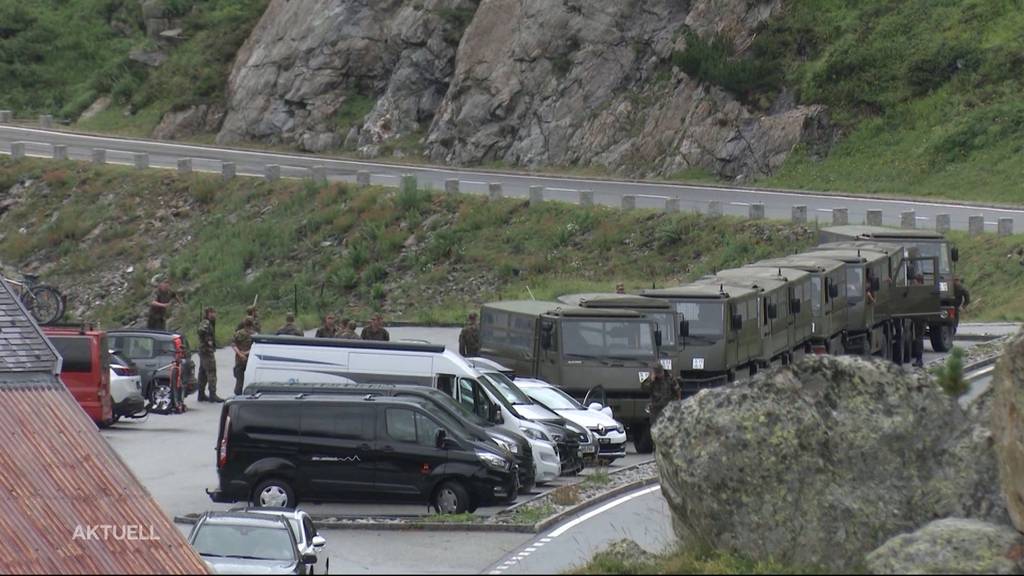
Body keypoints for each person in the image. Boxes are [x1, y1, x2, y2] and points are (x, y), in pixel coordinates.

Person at [196, 307, 223, 402]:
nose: (214, 315)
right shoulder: (206, 322)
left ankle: (201, 394)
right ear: (208, 314)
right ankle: (212, 394)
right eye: (212, 313)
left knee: (203, 373)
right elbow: (200, 331)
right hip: (206, 351)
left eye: (214, 313)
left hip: (204, 350)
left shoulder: (209, 322)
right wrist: (208, 340)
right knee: (211, 372)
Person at [232, 317, 255, 396]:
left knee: (239, 379)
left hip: (239, 359)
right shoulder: (255, 335)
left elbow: (233, 345)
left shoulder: (238, 333)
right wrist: (246, 353)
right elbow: (256, 347)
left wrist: (240, 354)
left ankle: (238, 395)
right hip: (250, 360)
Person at [911, 274, 926, 368]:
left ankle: (919, 360)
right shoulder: (923, 290)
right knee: (919, 338)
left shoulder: (921, 291)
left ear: (919, 281)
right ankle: (919, 360)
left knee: (919, 339)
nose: (913, 283)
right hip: (920, 317)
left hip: (920, 318)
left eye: (915, 281)